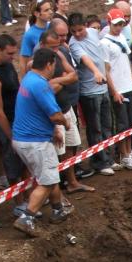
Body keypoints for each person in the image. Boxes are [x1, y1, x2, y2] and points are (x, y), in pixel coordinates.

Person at [11, 48, 71, 237]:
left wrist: (53, 130)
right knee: (47, 181)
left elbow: (38, 112)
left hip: (23, 139)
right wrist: (65, 123)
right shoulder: (41, 85)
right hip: (36, 142)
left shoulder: (29, 79)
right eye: (54, 65)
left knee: (49, 175)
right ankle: (26, 218)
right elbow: (55, 114)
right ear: (49, 65)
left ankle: (58, 209)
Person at [41, 25, 94, 193]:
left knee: (72, 145)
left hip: (66, 107)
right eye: (52, 47)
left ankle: (72, 182)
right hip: (53, 112)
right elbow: (47, 88)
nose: (55, 50)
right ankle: (57, 190)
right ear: (42, 45)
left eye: (57, 46)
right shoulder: (36, 63)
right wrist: (63, 79)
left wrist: (59, 80)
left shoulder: (59, 54)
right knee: (57, 151)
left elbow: (74, 74)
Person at [0, 33, 28, 214]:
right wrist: (10, 135)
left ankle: (27, 197)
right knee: (12, 163)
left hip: (17, 118)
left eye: (13, 53)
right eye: (9, 54)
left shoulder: (7, 65)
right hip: (5, 122)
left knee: (23, 161)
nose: (12, 57)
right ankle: (18, 203)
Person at [69, 12, 116, 175]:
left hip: (102, 88)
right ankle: (100, 161)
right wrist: (96, 71)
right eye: (73, 31)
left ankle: (109, 158)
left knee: (107, 125)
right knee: (95, 128)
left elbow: (102, 52)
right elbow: (85, 59)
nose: (77, 34)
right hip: (89, 91)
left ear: (85, 27)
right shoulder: (74, 44)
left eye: (80, 30)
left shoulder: (95, 33)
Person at [101, 8, 132, 169]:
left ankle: (130, 150)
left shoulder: (121, 37)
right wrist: (114, 91)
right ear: (109, 23)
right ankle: (124, 154)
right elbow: (106, 70)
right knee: (122, 123)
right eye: (116, 24)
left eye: (121, 24)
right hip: (118, 88)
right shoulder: (104, 43)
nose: (119, 27)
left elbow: (127, 62)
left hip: (128, 85)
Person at [20, 0, 53, 77]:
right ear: (37, 14)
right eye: (46, 10)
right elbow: (23, 62)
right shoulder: (29, 34)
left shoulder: (52, 26)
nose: (50, 12)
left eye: (50, 9)